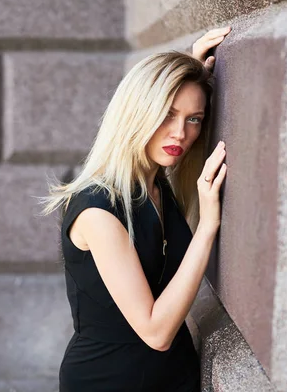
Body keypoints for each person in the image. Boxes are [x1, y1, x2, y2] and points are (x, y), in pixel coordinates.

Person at [39, 27, 231, 392]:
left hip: (174, 376)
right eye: (166, 114)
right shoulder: (98, 209)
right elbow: (156, 331)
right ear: (137, 113)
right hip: (108, 381)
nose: (180, 134)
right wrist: (207, 227)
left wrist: (188, 67)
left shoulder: (154, 185)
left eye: (194, 119)